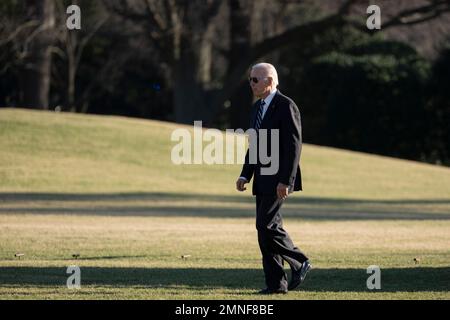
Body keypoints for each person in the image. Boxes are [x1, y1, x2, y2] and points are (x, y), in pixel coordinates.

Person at [236, 63, 311, 294]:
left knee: (265, 224)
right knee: (265, 230)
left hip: (278, 178)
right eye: (250, 79)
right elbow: (255, 145)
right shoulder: (257, 108)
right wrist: (245, 173)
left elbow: (293, 146)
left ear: (269, 81)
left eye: (255, 80)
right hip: (262, 177)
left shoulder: (286, 106)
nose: (251, 84)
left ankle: (300, 261)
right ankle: (276, 284)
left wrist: (286, 180)